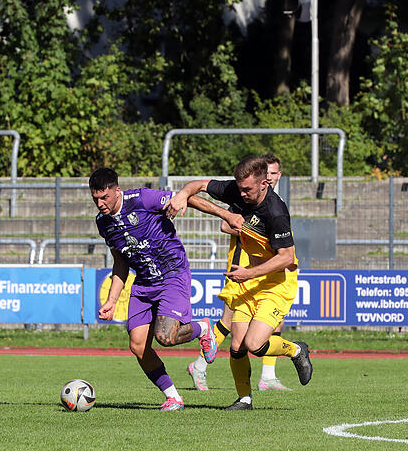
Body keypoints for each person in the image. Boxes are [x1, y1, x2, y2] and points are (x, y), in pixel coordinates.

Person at [165, 155, 313, 411]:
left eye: (248, 189)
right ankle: (244, 399)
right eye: (240, 188)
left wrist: (249, 274)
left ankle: (296, 351)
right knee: (236, 345)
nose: (242, 193)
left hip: (277, 282)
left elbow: (286, 257)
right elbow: (197, 185)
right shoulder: (236, 189)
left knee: (255, 345)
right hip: (250, 278)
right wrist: (181, 195)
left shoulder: (275, 212)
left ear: (264, 184)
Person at [91, 167, 243, 411]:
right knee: (138, 345)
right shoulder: (103, 223)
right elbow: (120, 260)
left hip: (172, 272)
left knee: (166, 337)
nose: (100, 203)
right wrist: (112, 299)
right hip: (143, 282)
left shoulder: (141, 199)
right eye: (95, 198)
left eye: (104, 197)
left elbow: (187, 199)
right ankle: (173, 397)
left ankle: (203, 328)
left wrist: (226, 215)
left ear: (116, 190)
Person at [186, 153, 291, 392]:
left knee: (273, 324)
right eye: (269, 173)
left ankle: (268, 375)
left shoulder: (275, 203)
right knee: (230, 323)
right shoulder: (245, 196)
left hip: (264, 271)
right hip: (240, 264)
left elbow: (283, 249)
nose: (272, 177)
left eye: (275, 174)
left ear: (275, 177)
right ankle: (201, 364)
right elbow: (227, 223)